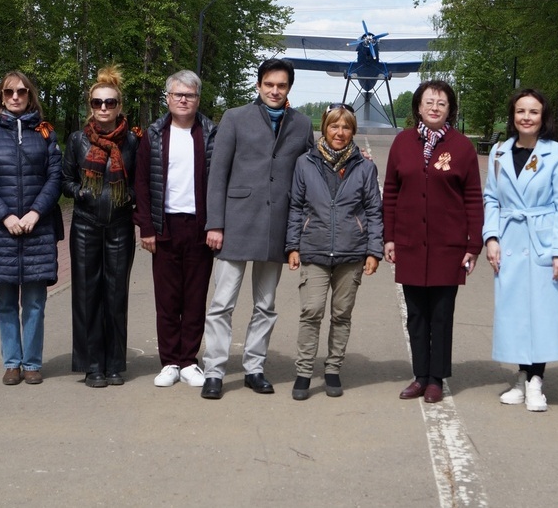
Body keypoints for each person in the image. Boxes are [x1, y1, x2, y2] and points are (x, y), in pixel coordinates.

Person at [199, 58, 314, 400]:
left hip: (277, 226)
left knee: (266, 305)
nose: (275, 91)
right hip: (235, 223)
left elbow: (313, 169)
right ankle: (215, 371)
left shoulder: (302, 124)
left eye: (281, 85)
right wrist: (215, 224)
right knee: (222, 303)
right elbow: (217, 175)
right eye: (269, 84)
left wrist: (356, 160)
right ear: (259, 85)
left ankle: (254, 368)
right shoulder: (235, 118)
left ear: (289, 88)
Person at [383, 80, 483, 404]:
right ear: (418, 108)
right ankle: (420, 376)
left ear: (450, 108)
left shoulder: (463, 147)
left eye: (441, 103)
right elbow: (391, 194)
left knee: (441, 313)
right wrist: (390, 237)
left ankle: (437, 378)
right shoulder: (402, 143)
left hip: (448, 246)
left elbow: (472, 198)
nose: (435, 108)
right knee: (416, 314)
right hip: (410, 243)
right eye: (429, 102)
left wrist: (473, 244)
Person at [482, 89, 558, 412]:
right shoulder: (499, 152)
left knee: (544, 313)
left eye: (533, 112)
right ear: (513, 116)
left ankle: (537, 382)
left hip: (543, 241)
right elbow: (491, 198)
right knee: (515, 313)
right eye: (520, 111)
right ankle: (521, 377)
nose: (526, 117)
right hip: (509, 241)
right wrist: (491, 237)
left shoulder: (556, 153)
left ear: (543, 117)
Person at [285, 104, 383, 400]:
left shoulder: (365, 167)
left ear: (353, 131)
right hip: (313, 248)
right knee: (311, 311)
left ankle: (332, 369)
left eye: (346, 127)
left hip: (351, 252)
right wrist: (293, 245)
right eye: (334, 126)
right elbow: (296, 206)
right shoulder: (305, 163)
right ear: (324, 128)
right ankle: (303, 372)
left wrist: (373, 251)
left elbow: (374, 211)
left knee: (341, 314)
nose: (339, 133)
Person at [0, 71, 64, 386]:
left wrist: (36, 213)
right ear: (1, 96)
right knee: (7, 302)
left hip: (37, 230)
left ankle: (33, 363)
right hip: (2, 232)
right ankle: (12, 363)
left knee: (36, 301)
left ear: (30, 95)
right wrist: (6, 216)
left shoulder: (46, 133)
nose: (15, 97)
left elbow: (56, 177)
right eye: (9, 92)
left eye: (21, 92)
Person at [134, 70, 216, 389]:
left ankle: (189, 361)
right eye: (177, 94)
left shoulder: (210, 133)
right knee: (167, 299)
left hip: (199, 227)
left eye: (190, 95)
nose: (183, 100)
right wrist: (147, 227)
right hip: (164, 226)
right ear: (167, 98)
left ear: (198, 99)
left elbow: (221, 181)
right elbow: (141, 182)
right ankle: (169, 361)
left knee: (195, 298)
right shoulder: (153, 135)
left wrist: (216, 225)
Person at [62, 66, 140, 388]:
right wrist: (78, 191)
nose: (104, 108)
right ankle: (92, 364)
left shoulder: (133, 142)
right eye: (97, 103)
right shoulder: (77, 140)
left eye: (110, 102)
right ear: (90, 106)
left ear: (120, 106)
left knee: (115, 295)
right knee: (86, 295)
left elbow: (141, 183)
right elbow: (65, 180)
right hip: (85, 227)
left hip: (120, 227)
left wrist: (130, 196)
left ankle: (114, 364)